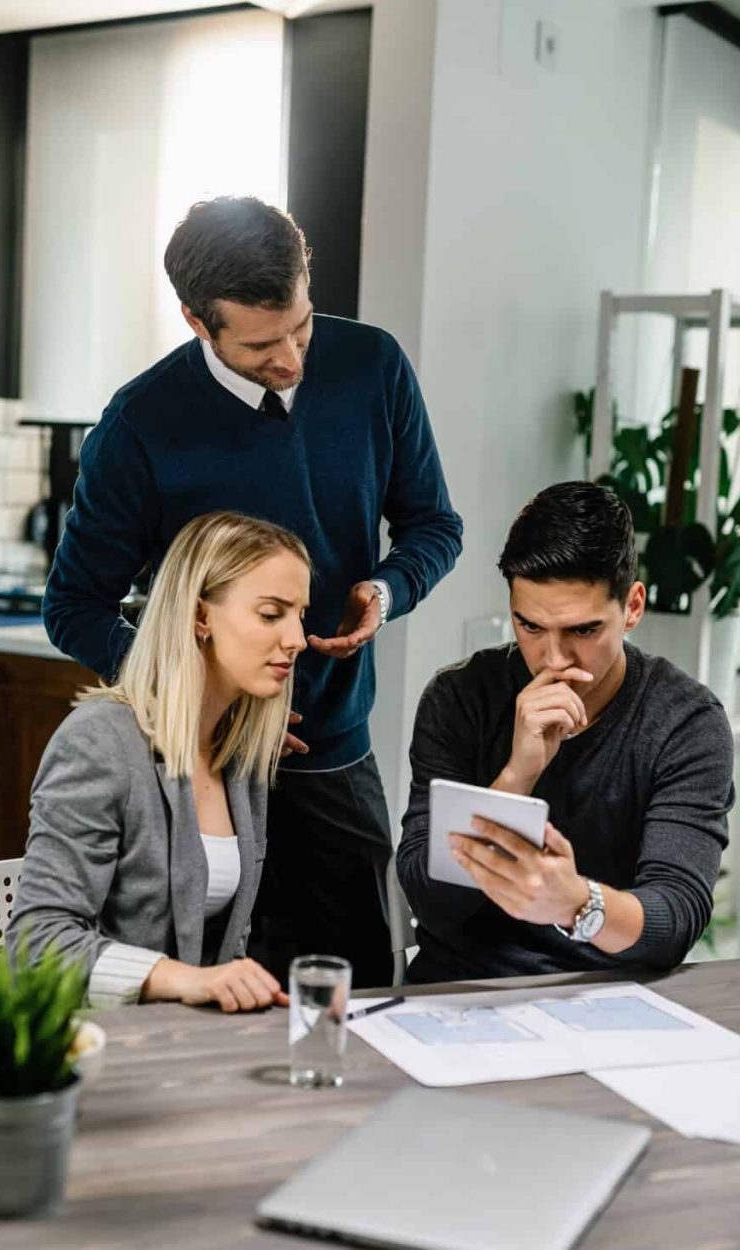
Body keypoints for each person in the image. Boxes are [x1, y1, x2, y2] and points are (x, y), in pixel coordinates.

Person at [41, 196, 463, 987]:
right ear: (199, 323)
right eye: (264, 343)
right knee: (218, 991)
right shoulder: (140, 425)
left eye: (302, 326)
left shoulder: (373, 365)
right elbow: (72, 608)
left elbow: (435, 525)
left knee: (366, 991)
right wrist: (197, 691)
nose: (295, 358)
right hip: (204, 770)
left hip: (334, 754)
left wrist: (386, 587)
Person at [397, 481, 734, 983]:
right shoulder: (460, 698)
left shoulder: (686, 721)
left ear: (633, 607)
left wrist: (578, 902)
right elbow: (429, 898)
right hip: (461, 987)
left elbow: (675, 919)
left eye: (583, 630)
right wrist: (517, 776)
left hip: (610, 996)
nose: (553, 659)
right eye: (530, 627)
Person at [7, 511, 310, 1012]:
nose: (297, 638)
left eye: (301, 614)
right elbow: (38, 946)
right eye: (272, 613)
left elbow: (227, 946)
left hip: (186, 1047)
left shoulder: (240, 753)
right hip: (100, 1048)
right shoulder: (99, 743)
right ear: (199, 616)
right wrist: (187, 981)